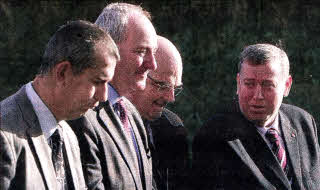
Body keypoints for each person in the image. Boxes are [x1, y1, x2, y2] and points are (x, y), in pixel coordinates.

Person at [0, 20, 119, 190]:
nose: (104, 96)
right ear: (62, 72)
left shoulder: (67, 135)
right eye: (98, 81)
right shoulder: (4, 134)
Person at [192, 43, 320, 190]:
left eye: (268, 85)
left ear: (286, 85)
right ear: (238, 83)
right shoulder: (215, 136)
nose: (257, 95)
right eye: (249, 84)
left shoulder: (303, 122)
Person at [69, 3, 158, 190]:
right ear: (107, 48)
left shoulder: (130, 112)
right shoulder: (80, 115)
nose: (153, 64)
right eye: (142, 51)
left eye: (154, 52)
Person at [128, 36, 188, 190]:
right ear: (137, 75)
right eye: (162, 85)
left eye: (175, 88)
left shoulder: (172, 129)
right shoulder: (96, 124)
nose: (171, 97)